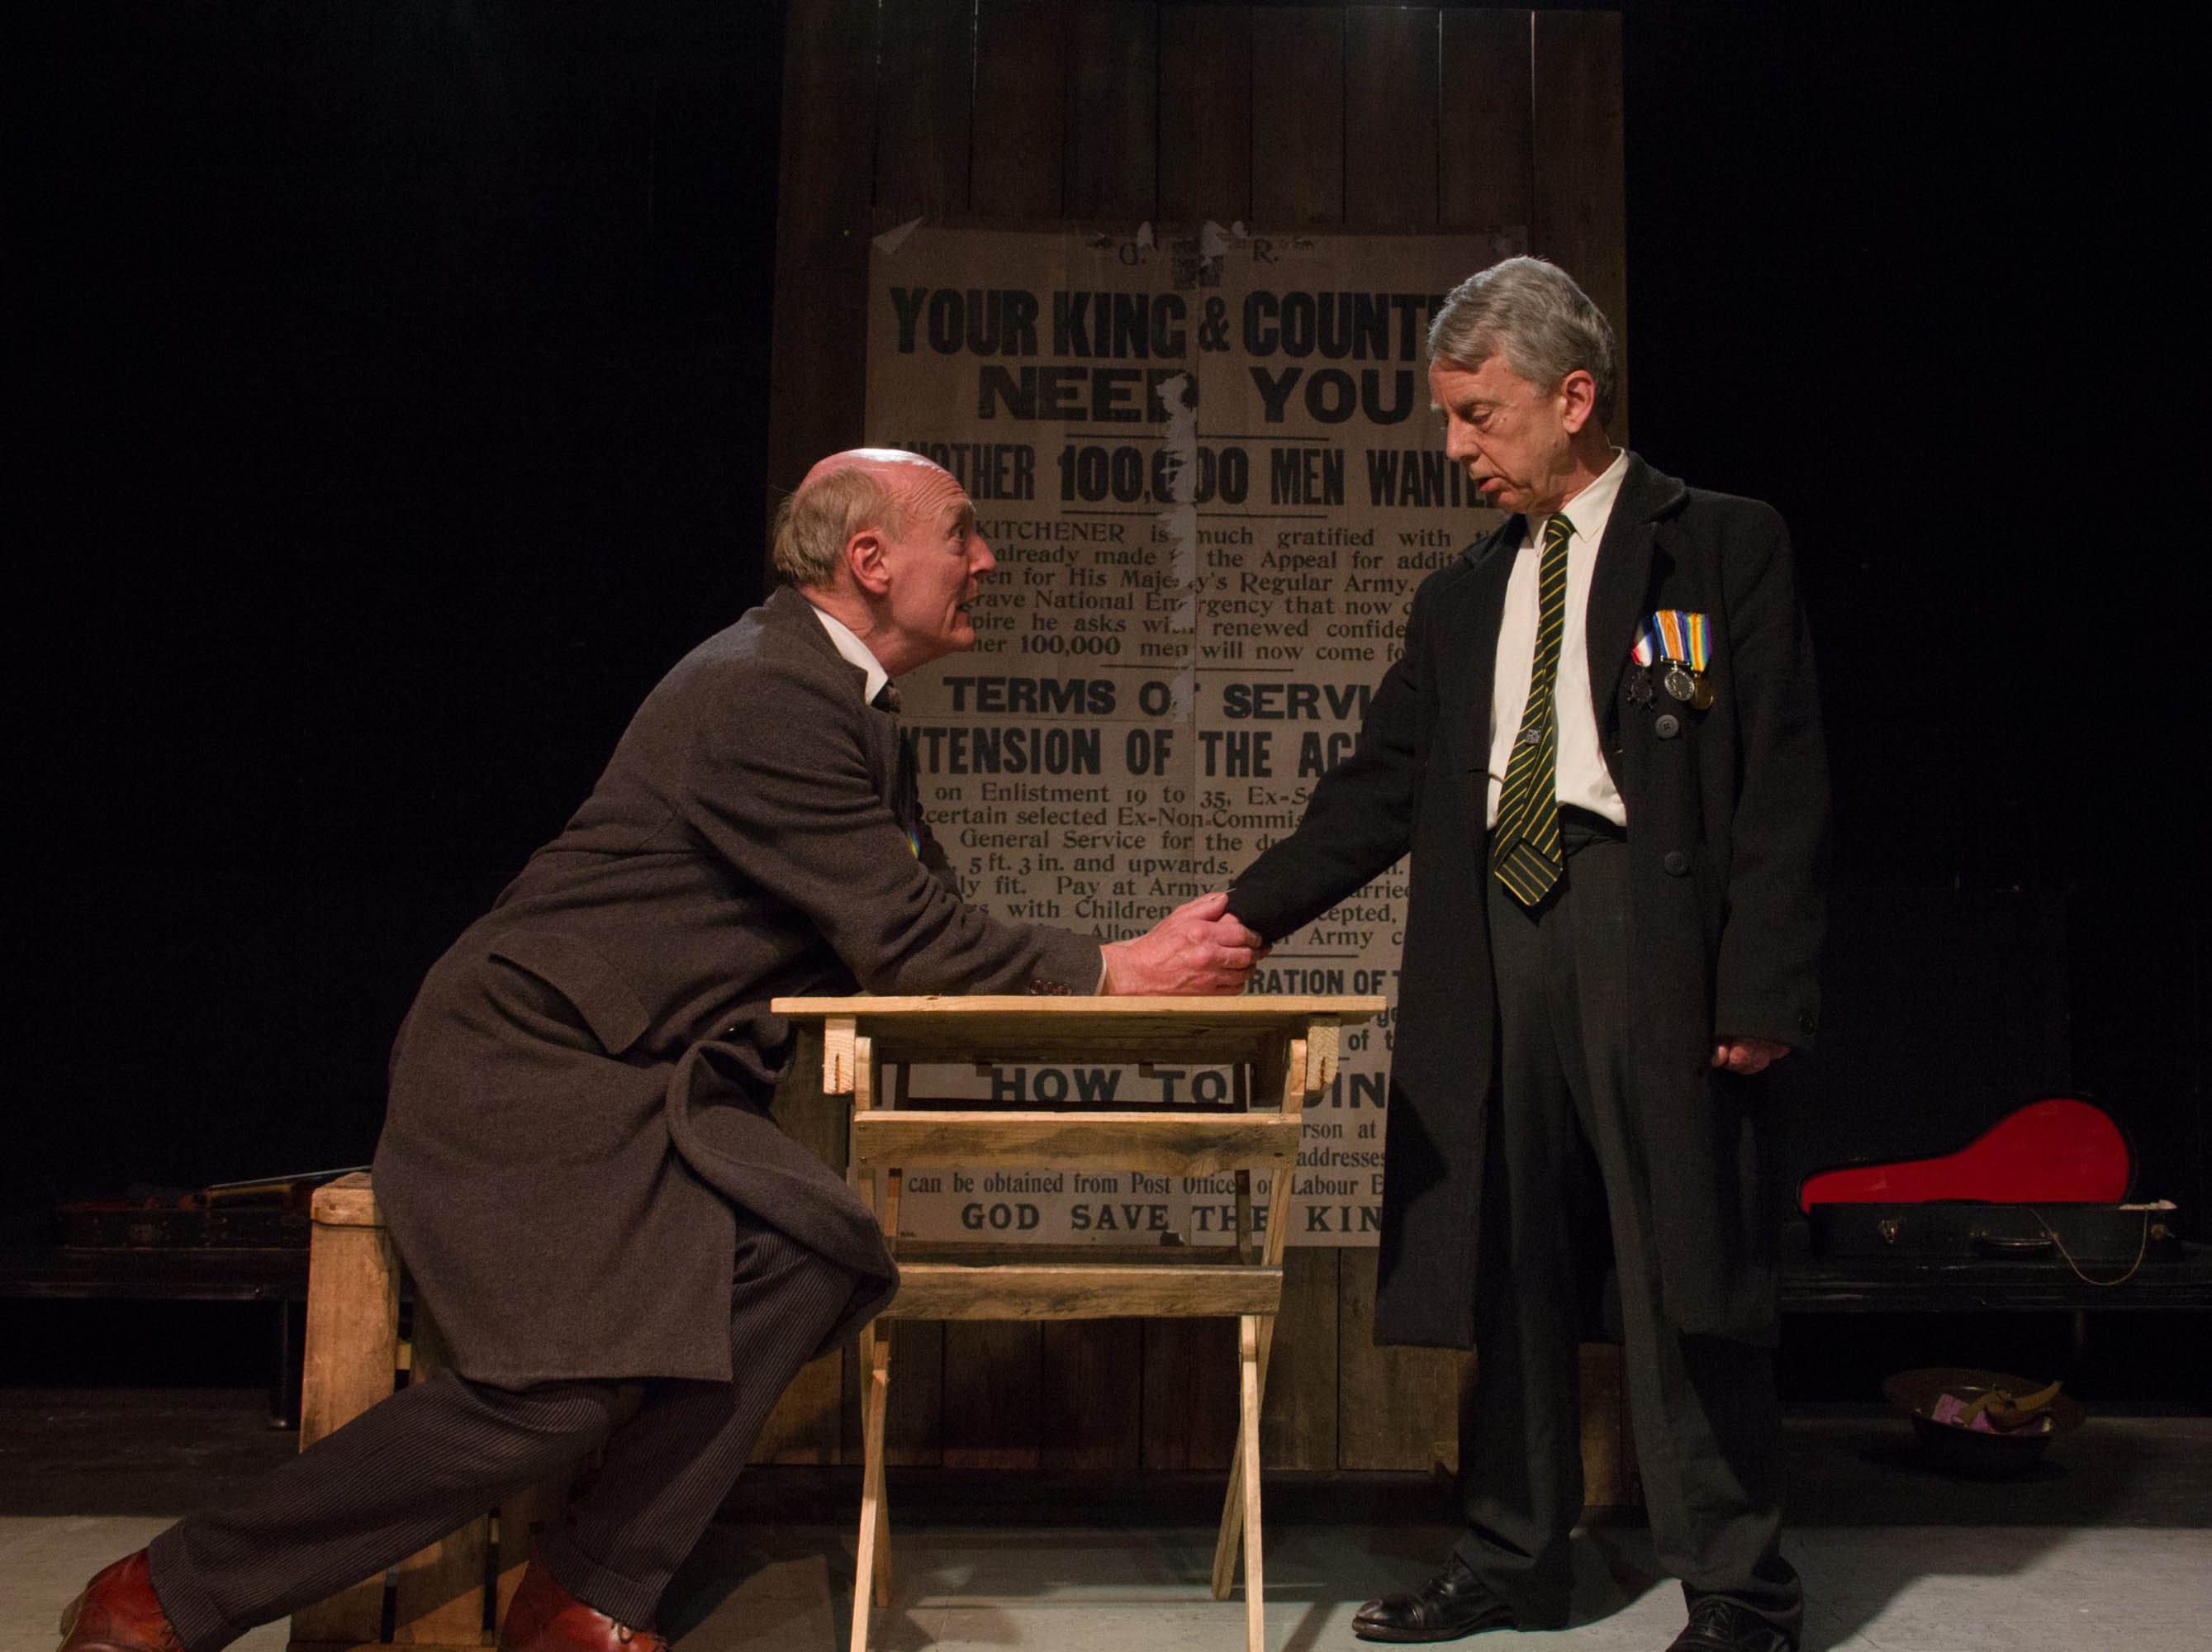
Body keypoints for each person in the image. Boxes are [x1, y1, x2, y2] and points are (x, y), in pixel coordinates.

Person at [57, 449, 1265, 1652]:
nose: (985, 559)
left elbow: (919, 927)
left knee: (813, 1256)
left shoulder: (850, 713)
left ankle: (585, 1593)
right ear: (869, 559)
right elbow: (906, 940)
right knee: (551, 1398)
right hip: (536, 1067)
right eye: (962, 533)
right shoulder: (765, 692)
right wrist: (1118, 966)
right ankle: (165, 1591)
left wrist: (1134, 978)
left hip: (658, 1082)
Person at [1222, 258, 1826, 1652]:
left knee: (1680, 1265)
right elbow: (1379, 788)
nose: (1455, 448)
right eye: (1447, 418)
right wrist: (1242, 915)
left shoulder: (1718, 543)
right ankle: (1509, 1557)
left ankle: (1738, 1589)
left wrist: (1761, 984)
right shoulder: (1462, 595)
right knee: (1505, 1254)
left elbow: (1781, 783)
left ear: (1572, 396)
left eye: (1477, 415)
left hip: (1648, 933)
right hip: (1495, 930)